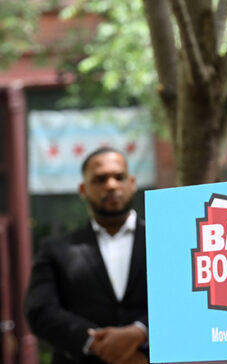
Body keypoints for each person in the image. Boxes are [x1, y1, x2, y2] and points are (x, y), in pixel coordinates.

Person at [25, 147, 148, 364]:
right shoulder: (56, 249)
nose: (111, 185)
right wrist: (98, 344)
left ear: (132, 183)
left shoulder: (164, 240)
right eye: (100, 179)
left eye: (119, 177)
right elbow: (40, 310)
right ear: (83, 189)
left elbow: (186, 300)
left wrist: (141, 332)